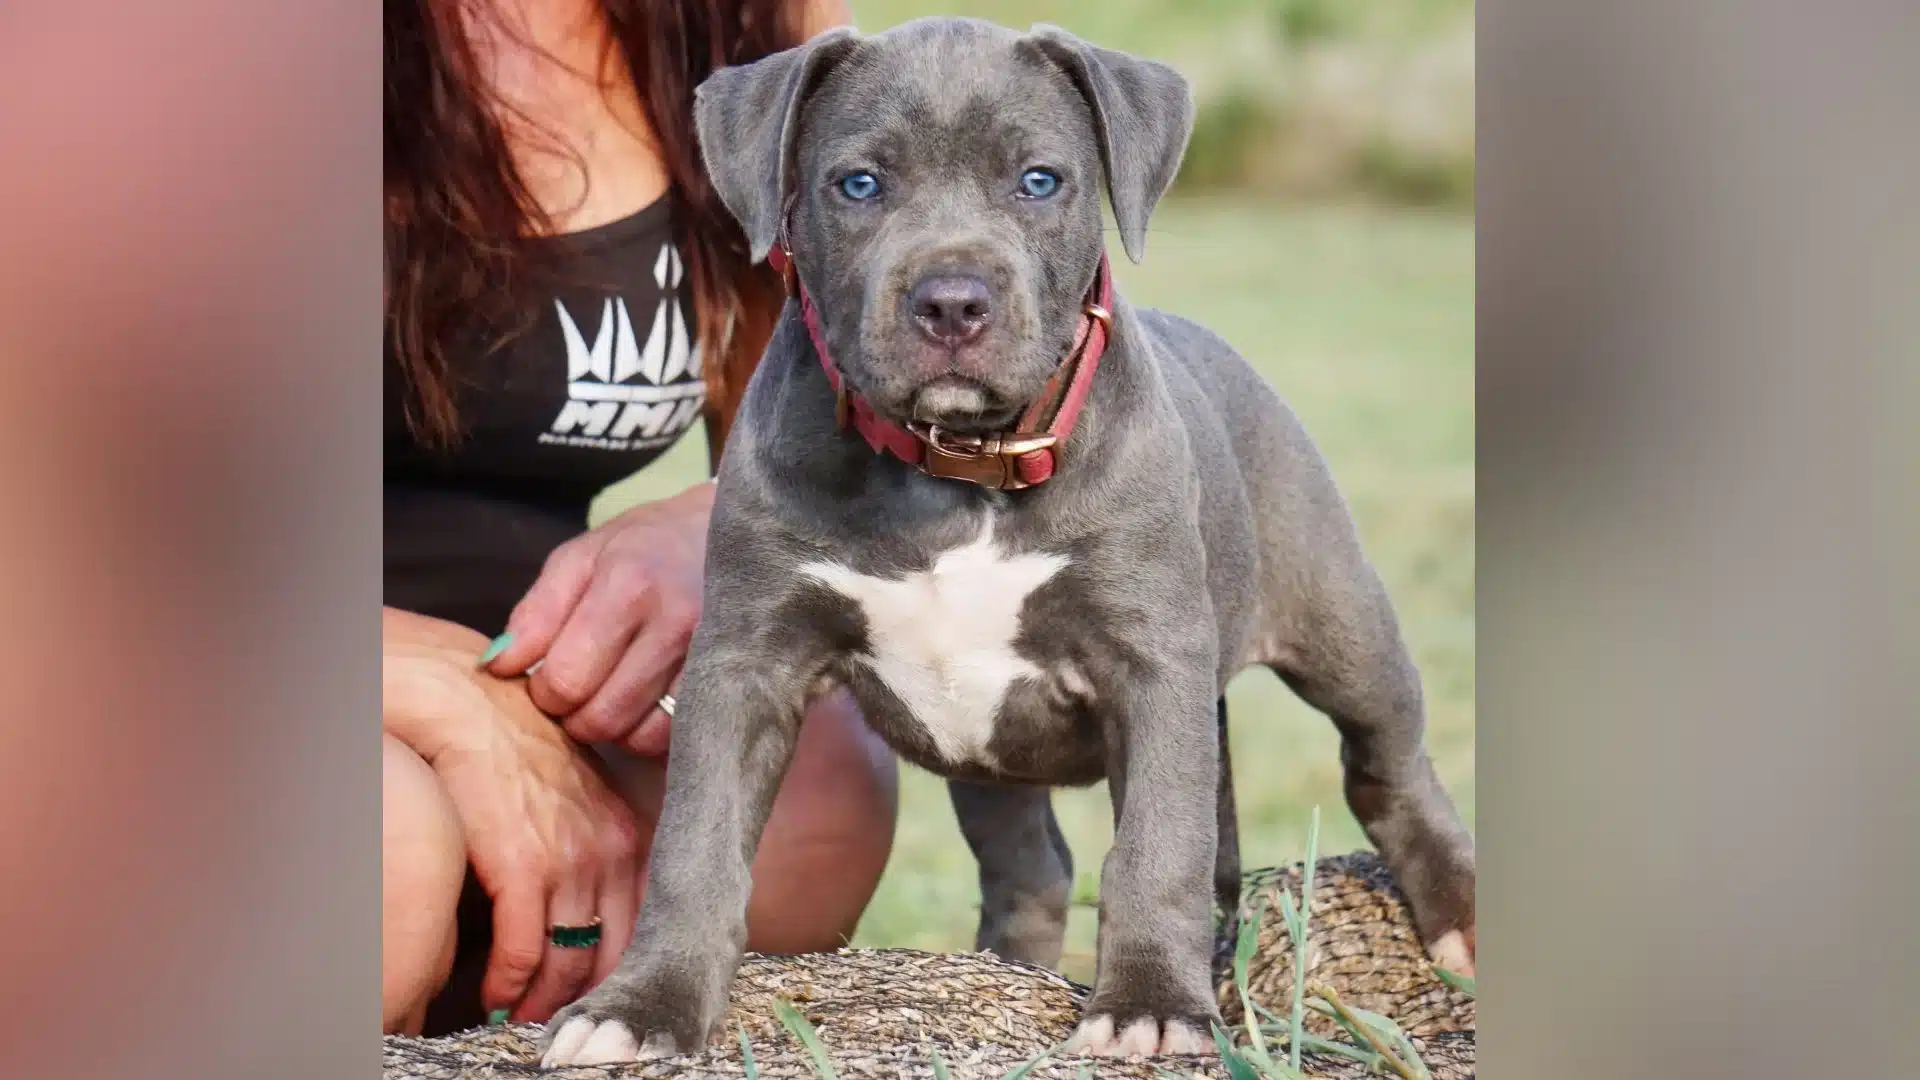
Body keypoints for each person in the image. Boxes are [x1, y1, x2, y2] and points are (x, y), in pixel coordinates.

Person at [381, 0, 893, 1037]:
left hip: (511, 659)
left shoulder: (754, 23)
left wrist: (726, 514)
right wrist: (431, 690)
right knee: (382, 840)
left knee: (808, 786)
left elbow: (820, 423)